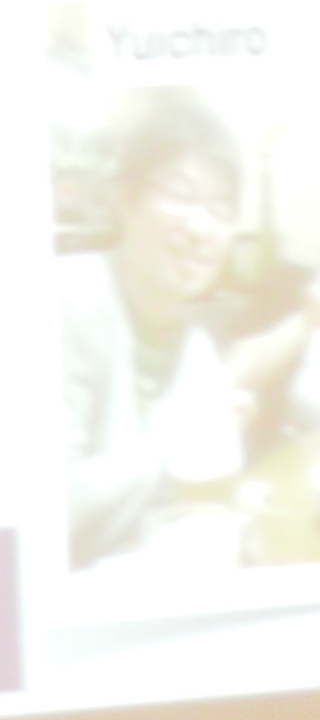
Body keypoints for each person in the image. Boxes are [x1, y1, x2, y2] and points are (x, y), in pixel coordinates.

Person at [64, 90, 252, 566]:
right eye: (182, 196)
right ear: (125, 199)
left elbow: (190, 502)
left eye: (221, 211)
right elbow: (42, 509)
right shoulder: (70, 302)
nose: (201, 229)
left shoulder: (197, 350)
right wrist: (174, 444)